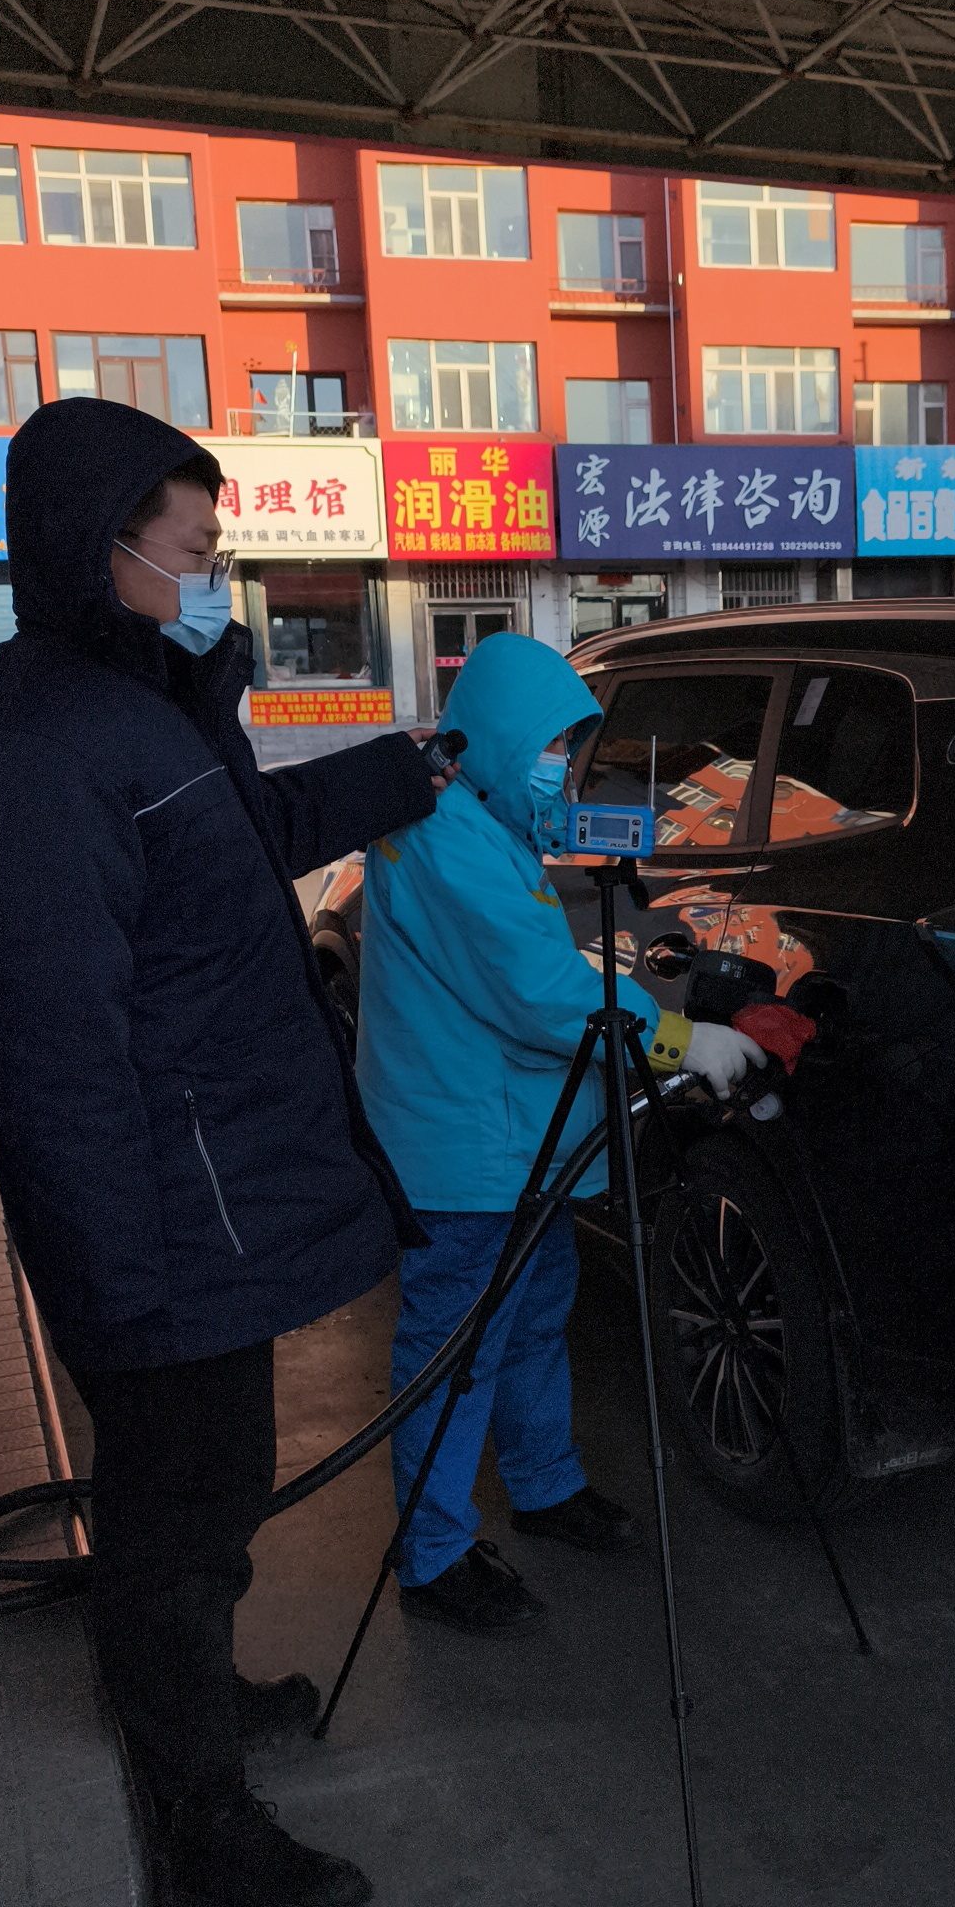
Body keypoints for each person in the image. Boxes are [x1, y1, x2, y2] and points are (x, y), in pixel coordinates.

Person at [0, 396, 450, 1907]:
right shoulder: (31, 749)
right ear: (105, 546)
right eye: (194, 549)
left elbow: (240, 835)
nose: (211, 575)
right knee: (176, 1510)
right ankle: (198, 1818)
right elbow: (55, 1053)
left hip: (205, 1205)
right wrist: (115, 1279)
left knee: (209, 1494)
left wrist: (401, 775)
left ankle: (189, 1700)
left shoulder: (137, 706)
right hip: (157, 1222)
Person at [354, 632, 762, 1634]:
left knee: (536, 1319)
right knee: (456, 1350)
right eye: (548, 747)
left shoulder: (488, 826)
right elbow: (539, 994)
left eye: (569, 749)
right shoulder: (443, 839)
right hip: (465, 1156)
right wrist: (680, 1039)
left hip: (517, 1145)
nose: (562, 768)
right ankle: (434, 1556)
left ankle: (545, 1486)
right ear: (493, 737)